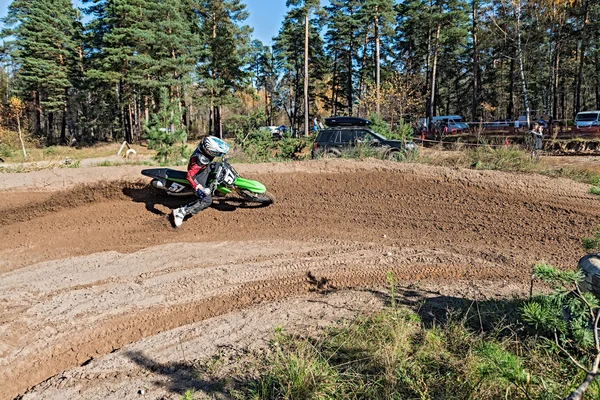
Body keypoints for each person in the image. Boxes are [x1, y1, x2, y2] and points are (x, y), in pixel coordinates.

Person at [172, 136, 230, 227]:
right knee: (207, 200)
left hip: (205, 168)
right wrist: (198, 186)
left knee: (221, 167)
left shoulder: (205, 144)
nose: (218, 154)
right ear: (209, 151)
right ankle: (181, 211)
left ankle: (218, 190)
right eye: (216, 153)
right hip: (197, 176)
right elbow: (189, 175)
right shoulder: (200, 160)